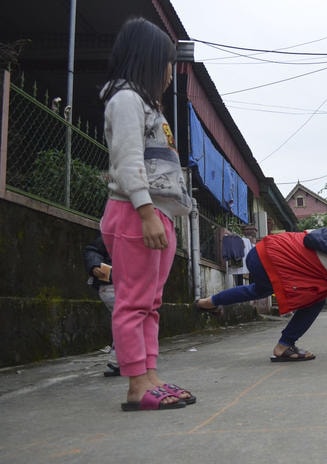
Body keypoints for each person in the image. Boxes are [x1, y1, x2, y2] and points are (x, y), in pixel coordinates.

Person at [100, 17, 194, 411]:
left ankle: (149, 373)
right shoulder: (124, 100)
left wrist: (164, 216)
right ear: (148, 60)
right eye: (168, 63)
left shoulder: (149, 107)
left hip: (158, 216)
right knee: (133, 302)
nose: (171, 73)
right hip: (136, 213)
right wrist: (145, 211)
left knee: (150, 303)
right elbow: (127, 160)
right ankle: (137, 384)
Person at [195, 212, 327, 361]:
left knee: (257, 290)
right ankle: (284, 346)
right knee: (317, 299)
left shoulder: (326, 236)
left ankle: (208, 302)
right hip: (270, 260)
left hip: (258, 253)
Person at [83, 234, 120, 377]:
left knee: (126, 320)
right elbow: (92, 251)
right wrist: (95, 266)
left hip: (119, 285)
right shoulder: (112, 235)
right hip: (111, 285)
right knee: (127, 320)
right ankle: (119, 360)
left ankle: (121, 359)